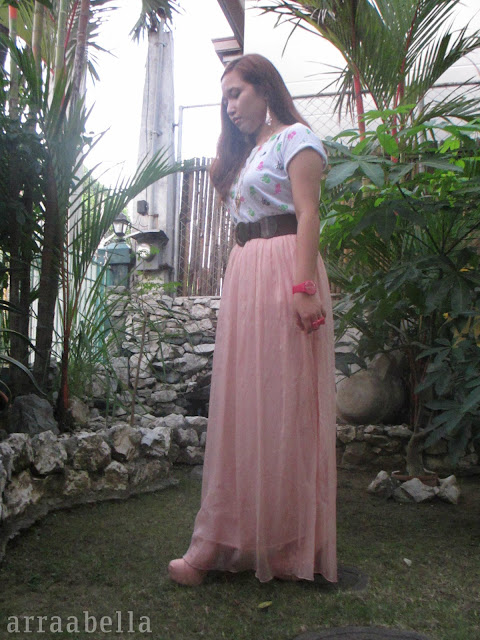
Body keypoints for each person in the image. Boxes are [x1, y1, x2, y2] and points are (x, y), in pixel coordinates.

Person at [168, 53, 337, 586]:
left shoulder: (297, 139)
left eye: (236, 93)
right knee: (245, 406)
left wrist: (303, 288)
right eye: (225, 97)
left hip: (285, 270)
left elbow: (307, 213)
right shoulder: (247, 154)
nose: (230, 106)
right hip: (245, 272)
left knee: (284, 405)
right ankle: (228, 537)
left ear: (265, 89)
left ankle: (288, 544)